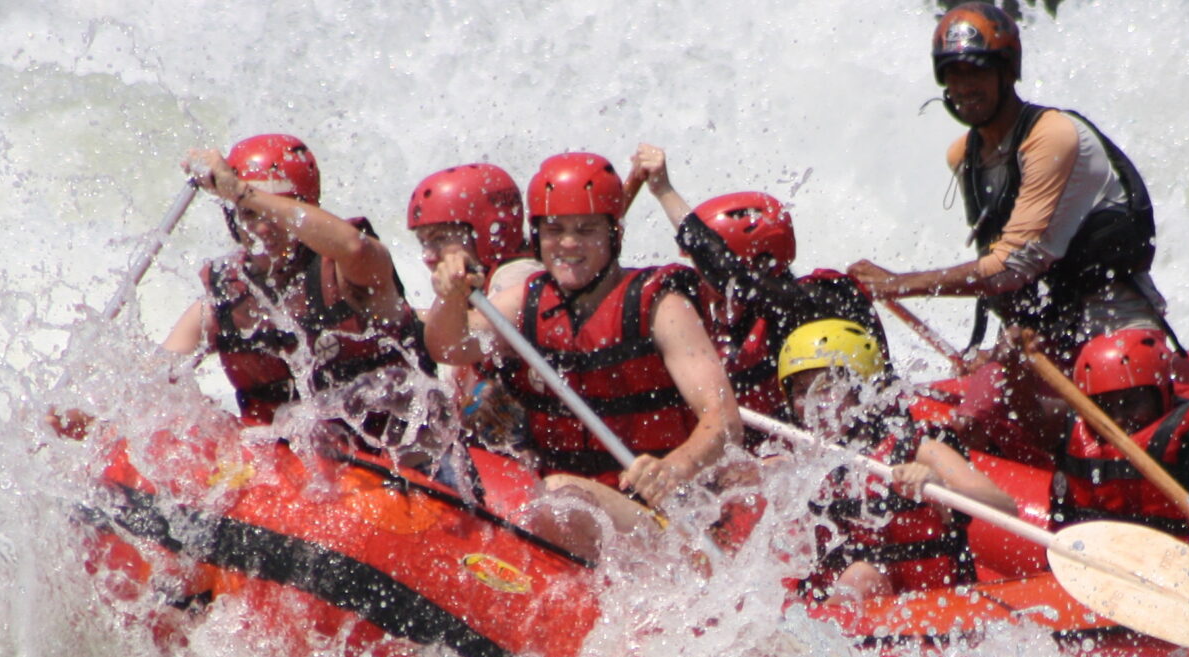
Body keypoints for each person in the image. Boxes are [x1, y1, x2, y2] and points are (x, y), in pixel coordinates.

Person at [423, 151, 741, 562]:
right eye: (554, 230)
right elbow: (448, 347)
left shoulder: (661, 306)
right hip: (567, 503)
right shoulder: (527, 301)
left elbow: (724, 419)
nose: (568, 244)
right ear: (536, 236)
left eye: (586, 230)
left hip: (660, 514)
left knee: (560, 499)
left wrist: (675, 467)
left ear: (614, 235)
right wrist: (449, 297)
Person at [847, 3, 1168, 363]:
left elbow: (1009, 268)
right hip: (1042, 336)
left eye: (976, 71)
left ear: (1007, 72)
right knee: (970, 418)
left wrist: (898, 284)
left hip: (1115, 328)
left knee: (1112, 379)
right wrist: (999, 353)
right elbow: (1007, 276)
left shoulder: (1052, 135)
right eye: (953, 73)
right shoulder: (964, 157)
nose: (964, 86)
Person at [162, 134, 451, 468]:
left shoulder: (352, 273)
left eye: (271, 213)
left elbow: (352, 246)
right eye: (248, 215)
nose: (263, 229)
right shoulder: (222, 304)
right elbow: (157, 377)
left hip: (404, 471)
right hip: (297, 485)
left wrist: (242, 192)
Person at [629, 145, 885, 421]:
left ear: (760, 264)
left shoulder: (811, 302)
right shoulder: (711, 308)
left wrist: (664, 191)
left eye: (703, 267)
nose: (701, 279)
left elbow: (729, 276)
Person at [771, 319, 1018, 605]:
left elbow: (1005, 507)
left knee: (860, 577)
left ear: (862, 388)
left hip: (929, 609)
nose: (815, 402)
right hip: (850, 612)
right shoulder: (799, 463)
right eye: (802, 391)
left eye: (827, 386)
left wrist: (939, 487)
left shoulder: (920, 449)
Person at [1052, 328, 1189, 542]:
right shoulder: (1074, 427)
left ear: (1162, 395)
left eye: (1130, 403)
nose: (1117, 419)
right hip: (1087, 564)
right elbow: (1027, 412)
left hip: (1178, 565)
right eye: (1103, 406)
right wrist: (1018, 359)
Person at [407, 163, 532, 448]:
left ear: (488, 232)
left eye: (439, 239)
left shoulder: (520, 272)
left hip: (527, 453)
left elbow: (468, 335)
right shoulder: (477, 280)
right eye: (423, 242)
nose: (427, 256)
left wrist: (401, 318)